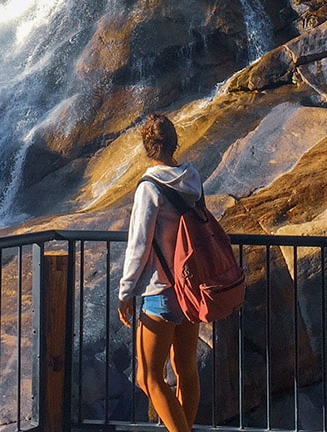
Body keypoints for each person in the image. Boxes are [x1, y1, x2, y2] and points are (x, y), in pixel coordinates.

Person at [118, 113, 202, 432]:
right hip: (191, 285)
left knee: (148, 377)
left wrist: (126, 292)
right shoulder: (191, 177)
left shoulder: (149, 188)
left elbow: (139, 244)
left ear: (146, 146)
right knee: (185, 370)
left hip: (162, 290)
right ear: (174, 141)